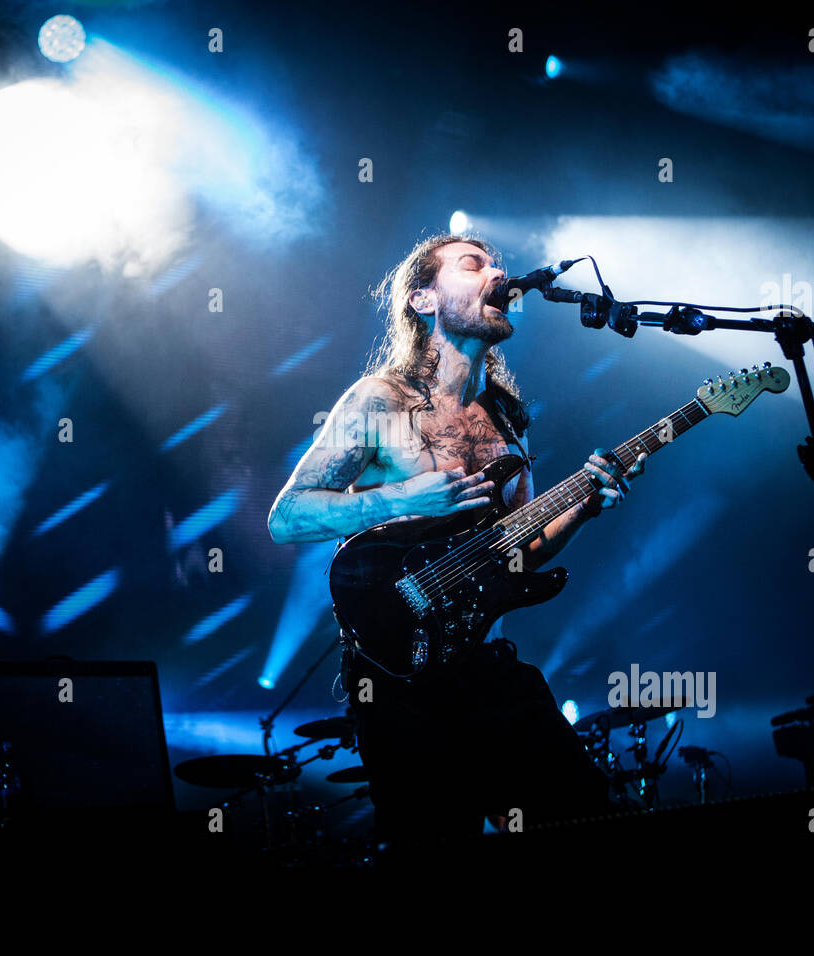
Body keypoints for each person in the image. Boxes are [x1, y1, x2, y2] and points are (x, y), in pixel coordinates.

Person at [267, 234, 646, 851]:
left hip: (489, 665)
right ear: (421, 298)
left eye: (496, 262)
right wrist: (402, 501)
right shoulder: (383, 402)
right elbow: (287, 518)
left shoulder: (508, 418)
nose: (497, 272)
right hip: (403, 684)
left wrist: (581, 512)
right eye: (473, 264)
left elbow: (520, 551)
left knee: (589, 824)